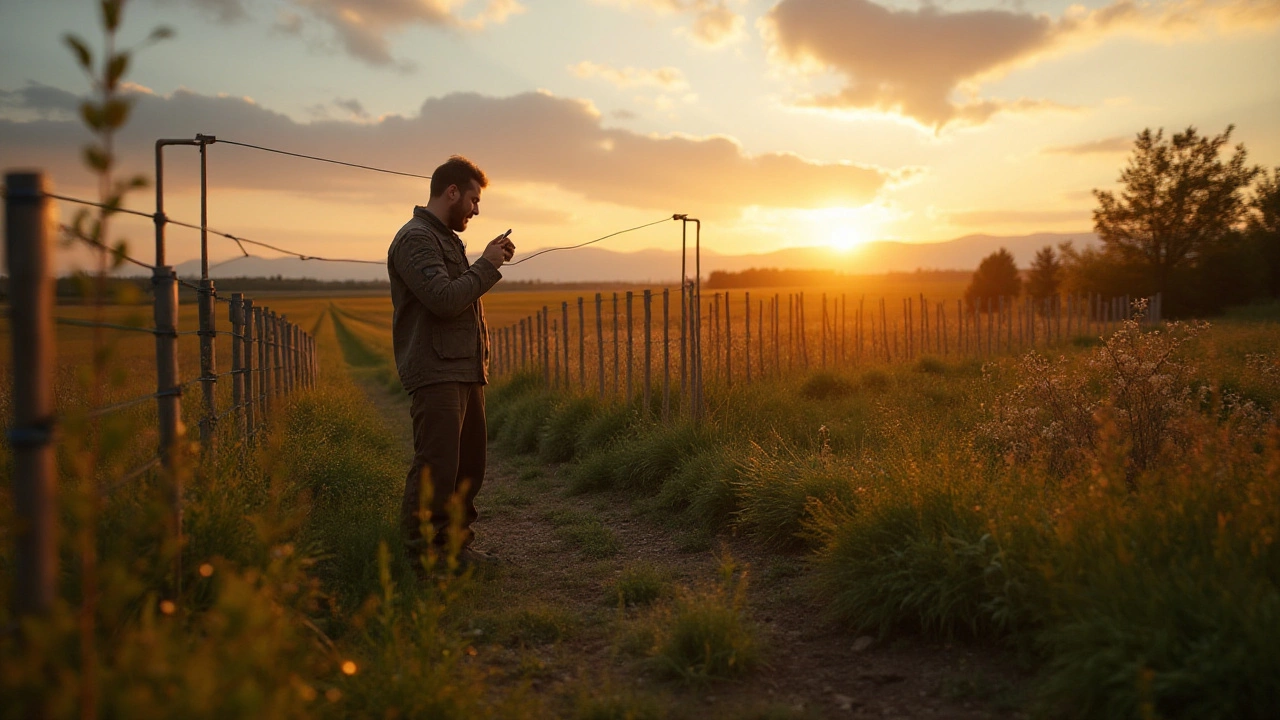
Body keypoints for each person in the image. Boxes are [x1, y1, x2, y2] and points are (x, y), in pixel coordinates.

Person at [387, 155, 515, 571]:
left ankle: (456, 549)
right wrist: (487, 264)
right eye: (474, 200)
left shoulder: (443, 238)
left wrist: (483, 262)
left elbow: (458, 295)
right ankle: (421, 556)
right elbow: (444, 300)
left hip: (463, 369)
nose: (476, 210)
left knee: (466, 468)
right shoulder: (415, 239)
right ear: (452, 191)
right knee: (437, 466)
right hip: (435, 369)